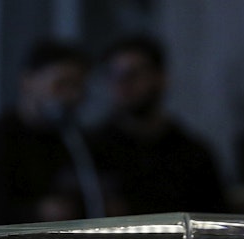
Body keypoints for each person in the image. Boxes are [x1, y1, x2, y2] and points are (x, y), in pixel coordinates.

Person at [0, 40, 102, 225]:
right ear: (27, 81)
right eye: (61, 84)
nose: (72, 96)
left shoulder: (79, 146)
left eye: (78, 87)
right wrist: (34, 213)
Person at [88, 34, 229, 216]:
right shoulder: (90, 151)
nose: (123, 84)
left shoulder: (192, 154)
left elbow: (215, 223)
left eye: (133, 74)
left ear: (160, 77)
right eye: (114, 75)